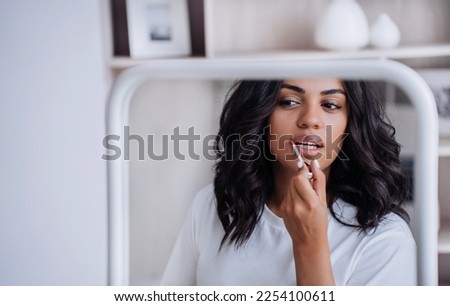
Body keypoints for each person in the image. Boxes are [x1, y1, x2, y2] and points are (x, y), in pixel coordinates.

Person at [160, 78, 416, 285]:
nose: (310, 119)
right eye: (289, 101)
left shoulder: (386, 239)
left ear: (351, 124)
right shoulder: (211, 206)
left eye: (330, 105)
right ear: (262, 115)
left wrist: (310, 245)